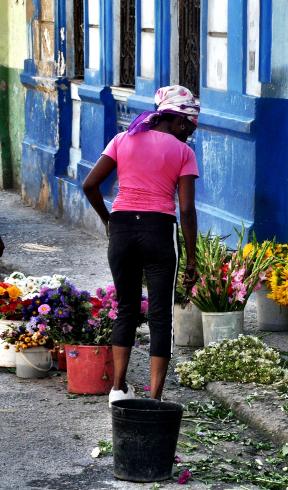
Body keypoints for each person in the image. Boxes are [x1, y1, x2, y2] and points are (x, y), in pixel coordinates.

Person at [83, 85, 200, 406]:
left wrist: (108, 219)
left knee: (127, 309)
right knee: (161, 315)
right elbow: (187, 210)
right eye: (188, 127)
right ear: (176, 121)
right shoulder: (183, 153)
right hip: (159, 231)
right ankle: (155, 399)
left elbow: (90, 184)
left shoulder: (123, 139)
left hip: (121, 229)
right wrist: (191, 259)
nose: (189, 135)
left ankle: (118, 389)